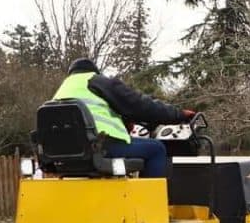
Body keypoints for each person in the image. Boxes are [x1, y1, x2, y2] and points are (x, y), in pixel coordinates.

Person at [52, 58, 194, 178]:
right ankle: (147, 204)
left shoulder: (61, 91)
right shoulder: (97, 81)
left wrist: (125, 122)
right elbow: (140, 105)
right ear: (93, 71)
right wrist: (178, 114)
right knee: (156, 149)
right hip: (100, 147)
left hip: (63, 154)